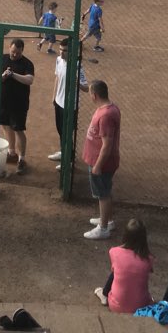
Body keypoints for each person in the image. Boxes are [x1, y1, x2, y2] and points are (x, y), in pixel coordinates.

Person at [82, 80, 120, 240]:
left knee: (102, 194)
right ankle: (108, 220)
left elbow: (107, 145)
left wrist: (98, 165)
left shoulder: (105, 115)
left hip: (102, 163)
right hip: (102, 161)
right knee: (105, 191)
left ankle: (103, 228)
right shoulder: (110, 108)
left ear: (94, 95)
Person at [94, 218, 154, 313]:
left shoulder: (114, 252)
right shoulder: (149, 258)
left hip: (116, 306)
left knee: (118, 271)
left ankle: (104, 294)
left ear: (125, 236)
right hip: (141, 306)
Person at [49, 38, 88, 171]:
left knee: (67, 133)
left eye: (65, 50)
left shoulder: (77, 66)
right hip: (58, 102)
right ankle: (63, 152)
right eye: (60, 49)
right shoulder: (59, 60)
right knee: (60, 131)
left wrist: (76, 82)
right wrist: (54, 96)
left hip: (70, 106)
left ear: (71, 51)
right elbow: (57, 77)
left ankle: (69, 161)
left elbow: (86, 88)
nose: (61, 52)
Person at [0, 38, 36, 174]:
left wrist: (13, 75)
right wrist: (3, 76)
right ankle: (12, 153)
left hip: (19, 104)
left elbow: (29, 80)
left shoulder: (27, 63)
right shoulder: (2, 59)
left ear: (22, 51)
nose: (14, 55)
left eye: (18, 53)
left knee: (18, 129)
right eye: (13, 51)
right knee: (6, 125)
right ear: (9, 47)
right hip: (3, 101)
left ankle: (22, 159)